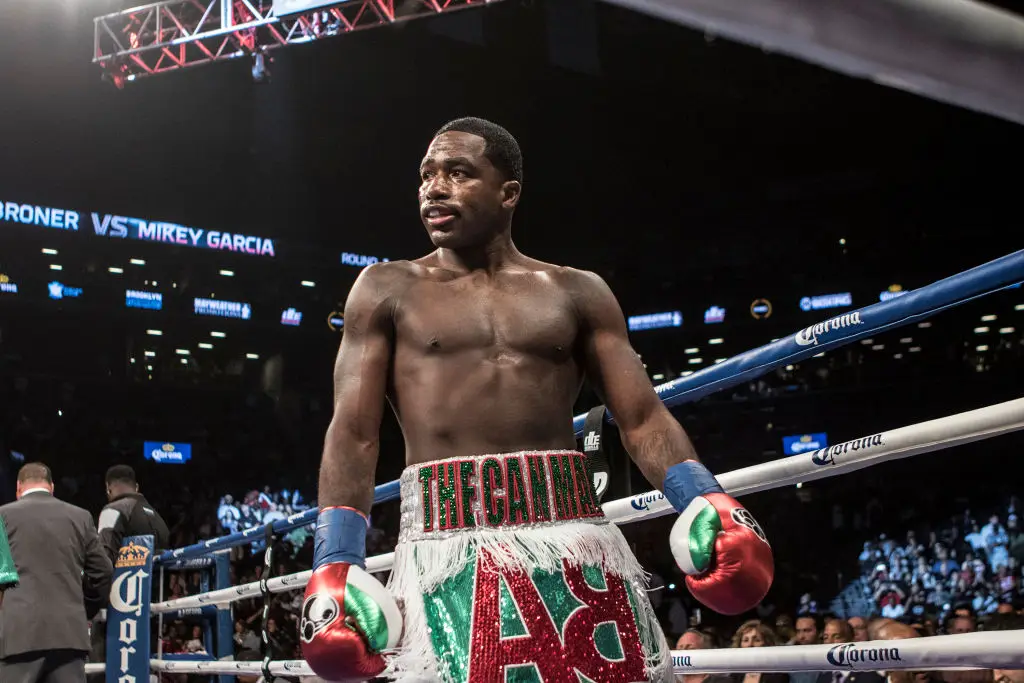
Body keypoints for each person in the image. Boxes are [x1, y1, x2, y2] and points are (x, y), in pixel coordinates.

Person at [300, 117, 775, 683]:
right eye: (426, 175)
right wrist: (335, 560)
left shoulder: (578, 291)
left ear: (509, 193)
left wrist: (707, 500)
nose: (434, 187)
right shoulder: (386, 288)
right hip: (451, 544)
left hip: (577, 537)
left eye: (458, 172)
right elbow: (354, 433)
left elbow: (641, 417)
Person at [0, 463, 112, 683]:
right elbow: (104, 572)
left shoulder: (3, 516)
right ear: (51, 487)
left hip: (18, 635)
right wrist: (84, 609)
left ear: (18, 488)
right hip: (69, 634)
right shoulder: (80, 516)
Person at [817, 619, 883, 683]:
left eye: (837, 637)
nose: (829, 642)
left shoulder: (870, 676)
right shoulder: (824, 676)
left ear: (852, 640)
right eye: (825, 637)